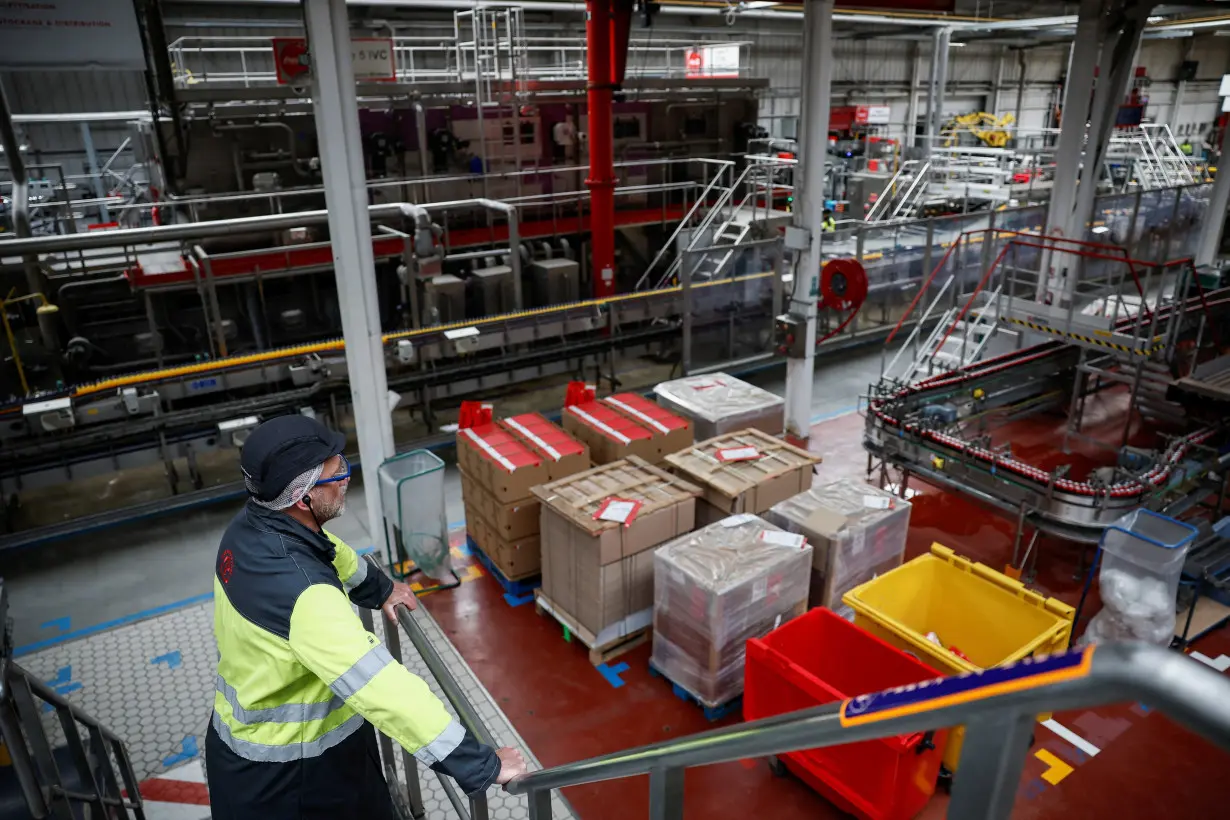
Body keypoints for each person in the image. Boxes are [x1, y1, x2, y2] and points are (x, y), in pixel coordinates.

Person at [205, 414, 526, 820]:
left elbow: (326, 550)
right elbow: (382, 687)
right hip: (296, 779)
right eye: (338, 474)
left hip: (245, 751)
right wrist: (480, 763)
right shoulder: (305, 596)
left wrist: (379, 587)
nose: (346, 481)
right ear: (303, 497)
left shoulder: (251, 527)